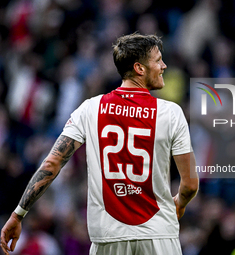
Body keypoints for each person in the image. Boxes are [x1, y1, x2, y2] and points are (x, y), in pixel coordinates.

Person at [1, 33, 199, 255]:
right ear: (140, 69)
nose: (163, 66)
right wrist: (180, 203)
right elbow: (190, 184)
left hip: (108, 238)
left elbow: (52, 163)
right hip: (158, 235)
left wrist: (18, 214)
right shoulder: (171, 113)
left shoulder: (90, 109)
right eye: (158, 60)